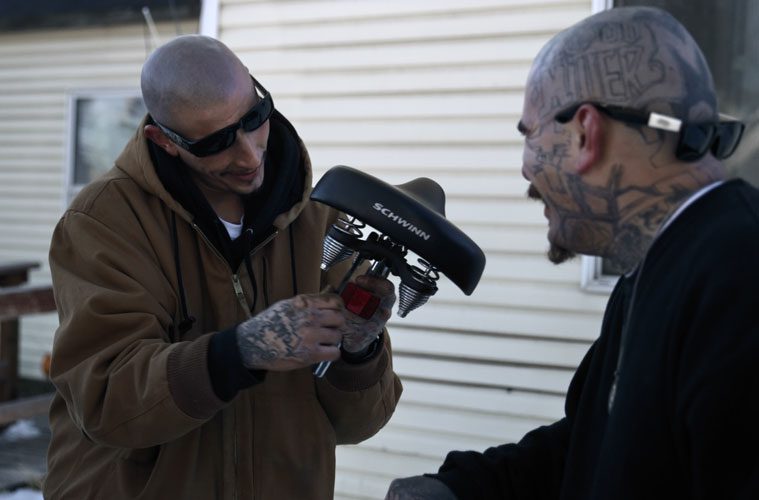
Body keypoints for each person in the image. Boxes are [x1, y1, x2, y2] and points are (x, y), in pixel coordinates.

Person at [386, 6, 759, 499]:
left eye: (530, 133)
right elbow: (593, 447)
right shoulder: (656, 266)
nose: (525, 170)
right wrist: (463, 489)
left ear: (585, 132)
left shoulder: (739, 276)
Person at [44, 34, 402, 499]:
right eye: (215, 142)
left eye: (255, 119)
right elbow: (106, 402)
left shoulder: (322, 219)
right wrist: (237, 353)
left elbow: (358, 423)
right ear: (164, 141)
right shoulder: (103, 222)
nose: (250, 154)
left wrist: (358, 353)